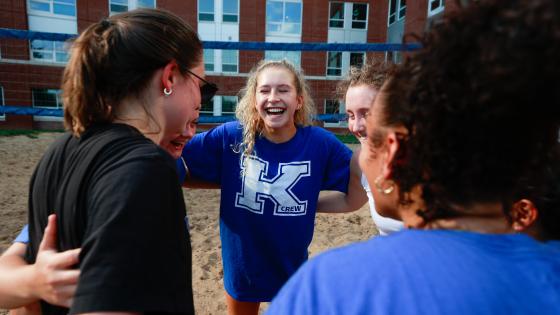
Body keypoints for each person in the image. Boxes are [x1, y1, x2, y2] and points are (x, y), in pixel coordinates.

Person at [266, 0, 560, 314]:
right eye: (350, 115)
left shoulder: (326, 290)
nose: (358, 133)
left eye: (372, 134)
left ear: (394, 154)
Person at [0, 8, 214, 315]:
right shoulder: (146, 167)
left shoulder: (60, 152)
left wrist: (33, 282)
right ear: (169, 77)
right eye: (200, 83)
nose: (199, 100)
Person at [178, 59, 366, 315]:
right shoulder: (231, 136)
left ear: (299, 100)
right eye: (265, 90)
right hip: (242, 265)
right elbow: (179, 161)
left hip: (290, 265)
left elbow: (359, 189)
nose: (273, 97)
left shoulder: (321, 144)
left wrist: (311, 203)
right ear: (254, 99)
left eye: (283, 90)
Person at [338, 60, 404, 235]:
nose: (356, 126)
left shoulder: (432, 161)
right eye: (351, 115)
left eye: (366, 113)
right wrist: (305, 204)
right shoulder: (361, 161)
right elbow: (352, 201)